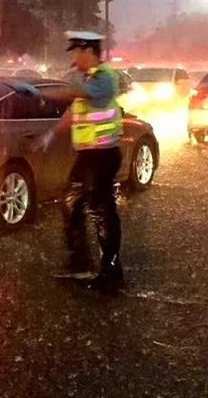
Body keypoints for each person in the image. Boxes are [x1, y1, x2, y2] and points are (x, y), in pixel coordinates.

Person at [18, 31, 125, 292]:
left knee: (101, 210)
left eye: (77, 52)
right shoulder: (89, 79)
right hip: (88, 155)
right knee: (70, 202)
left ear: (89, 51)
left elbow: (73, 93)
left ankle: (111, 273)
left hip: (103, 154)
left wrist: (39, 92)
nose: (74, 58)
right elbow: (73, 111)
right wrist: (50, 135)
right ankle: (80, 263)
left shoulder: (105, 78)